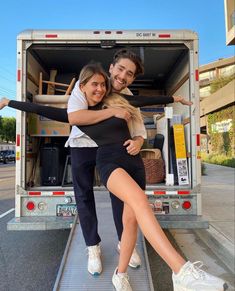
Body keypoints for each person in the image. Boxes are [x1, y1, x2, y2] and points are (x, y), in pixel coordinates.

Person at [0, 63, 227, 291]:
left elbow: (140, 102)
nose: (99, 89)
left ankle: (120, 274)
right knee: (140, 201)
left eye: (102, 84)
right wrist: (9, 102)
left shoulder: (114, 101)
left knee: (130, 223)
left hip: (134, 164)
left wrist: (174, 99)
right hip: (109, 163)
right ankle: (181, 272)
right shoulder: (80, 115)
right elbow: (41, 109)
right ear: (82, 87)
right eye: (93, 85)